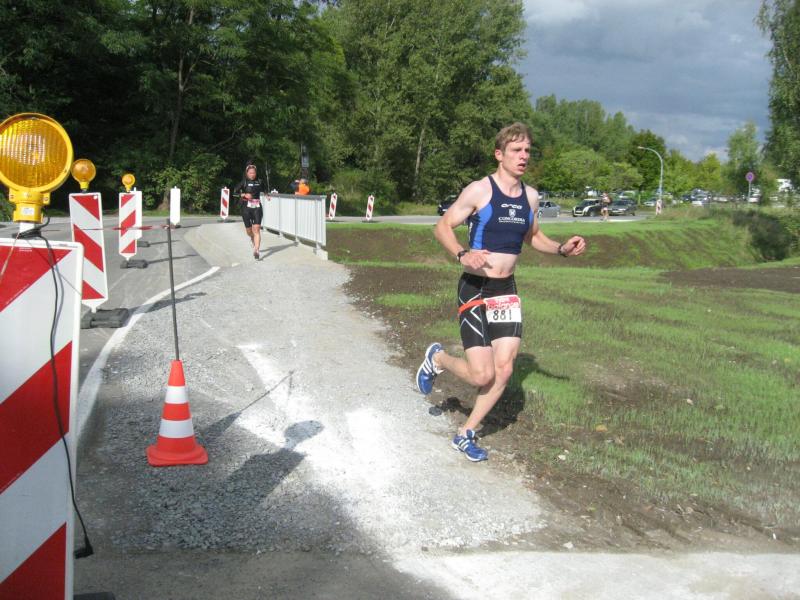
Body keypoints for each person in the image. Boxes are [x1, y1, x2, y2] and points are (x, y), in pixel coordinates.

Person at [416, 122, 586, 462]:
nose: (524, 156)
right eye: (516, 150)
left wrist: (561, 249)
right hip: (476, 287)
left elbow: (533, 237)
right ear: (499, 154)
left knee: (504, 369)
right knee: (482, 374)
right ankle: (438, 359)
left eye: (527, 151)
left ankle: (465, 433)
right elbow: (442, 226)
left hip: (505, 290)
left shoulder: (530, 196)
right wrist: (462, 254)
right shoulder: (480, 190)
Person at [233, 164, 266, 259]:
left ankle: (256, 250)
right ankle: (252, 238)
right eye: (250, 173)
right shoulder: (244, 182)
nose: (252, 174)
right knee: (249, 231)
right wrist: (243, 195)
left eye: (254, 173)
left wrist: (267, 195)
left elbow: (265, 190)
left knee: (257, 229)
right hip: (246, 208)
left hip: (257, 207)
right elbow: (234, 193)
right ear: (247, 173)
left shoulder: (260, 181)